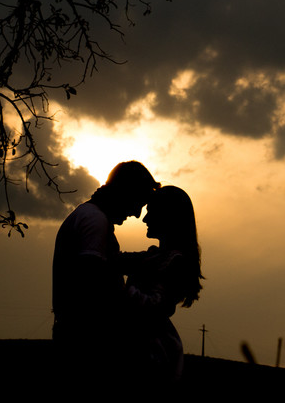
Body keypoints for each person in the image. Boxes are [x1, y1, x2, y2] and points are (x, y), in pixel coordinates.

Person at [52, 160, 158, 386]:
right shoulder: (95, 221)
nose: (137, 214)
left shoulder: (89, 216)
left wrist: (143, 259)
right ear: (125, 193)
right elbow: (95, 277)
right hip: (86, 342)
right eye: (137, 203)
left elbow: (106, 264)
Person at [120, 185, 204, 389]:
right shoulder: (154, 256)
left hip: (153, 355)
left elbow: (156, 306)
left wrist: (118, 291)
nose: (145, 219)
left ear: (167, 217)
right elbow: (115, 260)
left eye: (150, 212)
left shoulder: (175, 262)